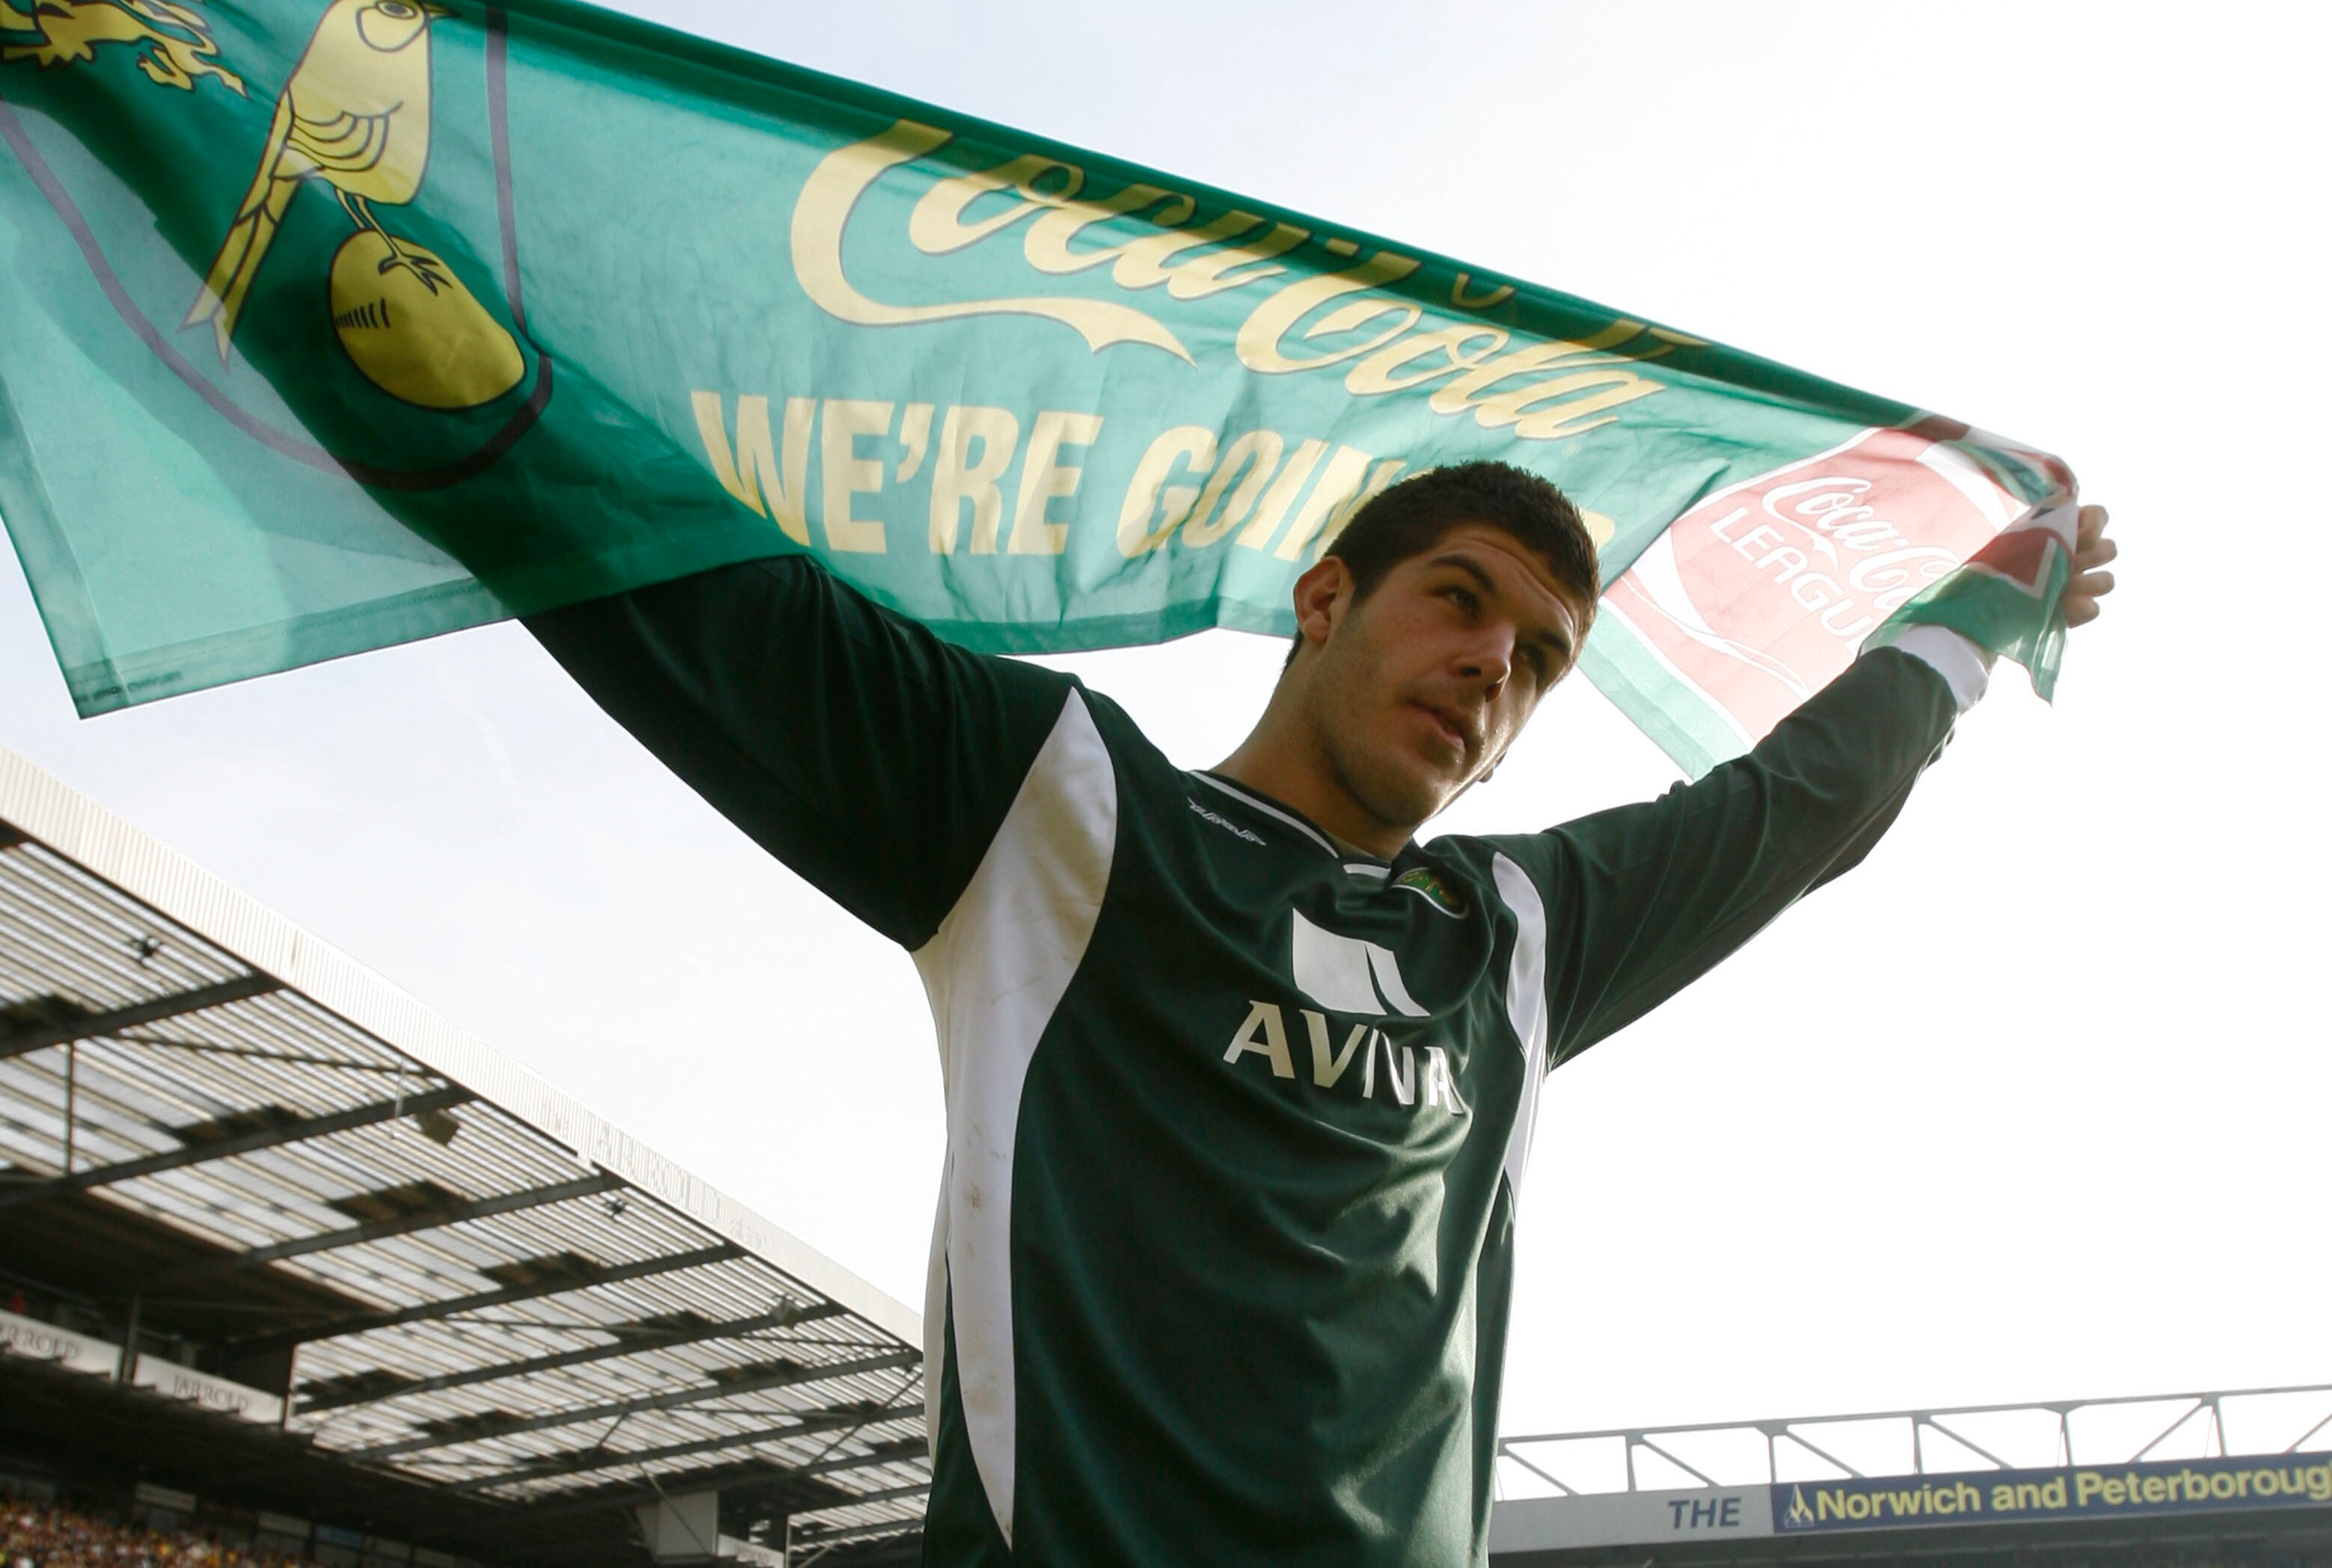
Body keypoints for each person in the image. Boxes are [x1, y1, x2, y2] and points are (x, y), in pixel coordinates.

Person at [523, 461, 2117, 1567]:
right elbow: (684, 578)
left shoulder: (1512, 937)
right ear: (1323, 597)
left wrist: (1973, 618)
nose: (1492, 659)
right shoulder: (1062, 811)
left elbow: (1805, 799)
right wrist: (322, 237)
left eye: (1540, 657)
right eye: (1455, 597)